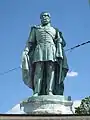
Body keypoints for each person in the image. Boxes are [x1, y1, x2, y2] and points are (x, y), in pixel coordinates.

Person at [21, 12, 69, 96]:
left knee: (51, 71)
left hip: (51, 50)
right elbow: (30, 42)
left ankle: (49, 91)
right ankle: (37, 91)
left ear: (49, 18)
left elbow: (63, 43)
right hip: (39, 50)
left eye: (46, 16)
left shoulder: (55, 30)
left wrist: (60, 41)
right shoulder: (36, 29)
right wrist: (26, 50)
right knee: (38, 71)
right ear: (40, 19)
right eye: (42, 16)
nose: (44, 18)